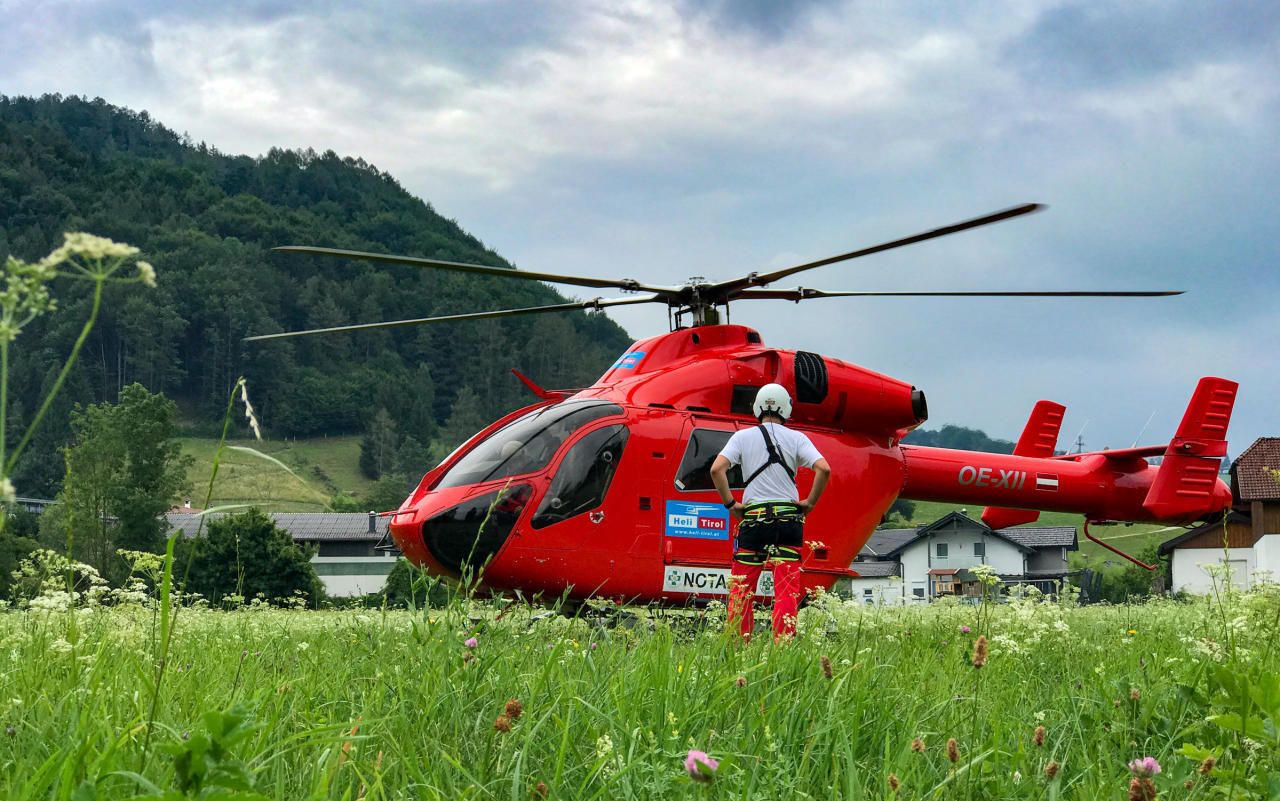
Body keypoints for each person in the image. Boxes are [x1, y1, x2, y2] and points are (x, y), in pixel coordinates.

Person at [710, 383, 831, 639]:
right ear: (786, 408)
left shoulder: (742, 437)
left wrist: (732, 505)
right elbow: (824, 468)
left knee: (742, 591)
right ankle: (782, 647)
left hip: (753, 521)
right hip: (788, 522)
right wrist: (809, 503)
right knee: (786, 591)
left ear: (757, 407)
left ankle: (739, 648)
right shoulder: (797, 438)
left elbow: (716, 469)